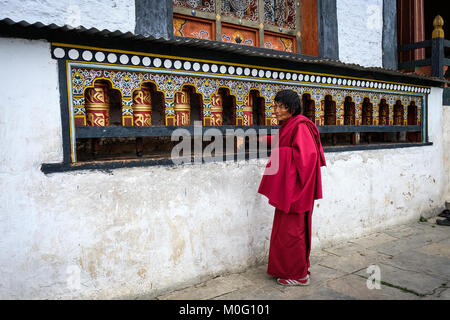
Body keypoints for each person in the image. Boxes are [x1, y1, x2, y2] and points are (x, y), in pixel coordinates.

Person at [258, 89, 326, 286]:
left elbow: (309, 157)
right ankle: (286, 269)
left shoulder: (301, 126)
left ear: (292, 108)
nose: (276, 110)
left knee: (293, 233)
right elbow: (280, 142)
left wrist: (283, 154)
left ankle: (299, 275)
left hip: (297, 191)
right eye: (275, 106)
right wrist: (255, 140)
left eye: (281, 106)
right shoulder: (289, 125)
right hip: (289, 190)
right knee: (283, 231)